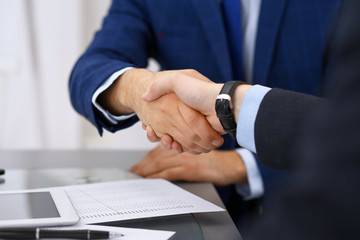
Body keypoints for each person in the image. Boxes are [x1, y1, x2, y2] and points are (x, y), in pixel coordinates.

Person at [69, 0, 341, 234]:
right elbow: (89, 69)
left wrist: (243, 165)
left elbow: (350, 122)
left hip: (317, 206)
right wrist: (140, 88)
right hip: (195, 209)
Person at [141, 1, 360, 238]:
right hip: (198, 202)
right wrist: (135, 90)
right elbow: (102, 58)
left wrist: (243, 164)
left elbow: (348, 132)